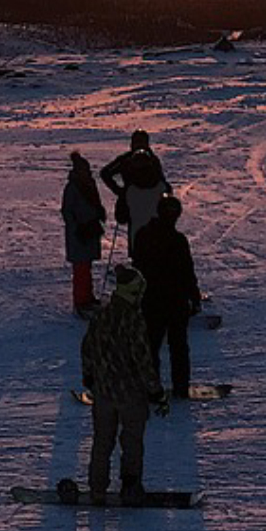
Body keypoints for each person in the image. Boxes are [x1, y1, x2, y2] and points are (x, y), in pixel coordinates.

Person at [80, 264, 168, 504]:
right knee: (131, 442)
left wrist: (89, 376)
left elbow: (87, 349)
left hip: (103, 392)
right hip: (131, 394)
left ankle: (97, 488)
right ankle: (130, 487)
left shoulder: (100, 316)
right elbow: (143, 359)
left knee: (102, 441)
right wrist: (156, 391)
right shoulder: (133, 319)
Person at [133, 194, 202, 400]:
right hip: (174, 300)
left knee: (152, 345)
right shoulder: (177, 240)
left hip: (153, 299)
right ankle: (180, 387)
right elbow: (187, 272)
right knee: (177, 346)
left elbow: (138, 267)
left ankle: (152, 387)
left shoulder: (143, 235)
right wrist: (194, 297)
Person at [100, 129, 170, 258]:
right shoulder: (144, 160)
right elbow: (105, 173)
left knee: (138, 236)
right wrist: (120, 191)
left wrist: (121, 192)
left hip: (138, 204)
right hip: (140, 204)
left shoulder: (145, 160)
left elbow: (105, 173)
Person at [60, 151, 106, 314]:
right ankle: (81, 300)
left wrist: (100, 213)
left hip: (90, 230)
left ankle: (87, 296)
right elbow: (67, 211)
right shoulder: (72, 188)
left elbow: (96, 203)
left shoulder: (90, 184)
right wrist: (77, 227)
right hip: (79, 234)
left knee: (86, 267)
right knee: (81, 268)